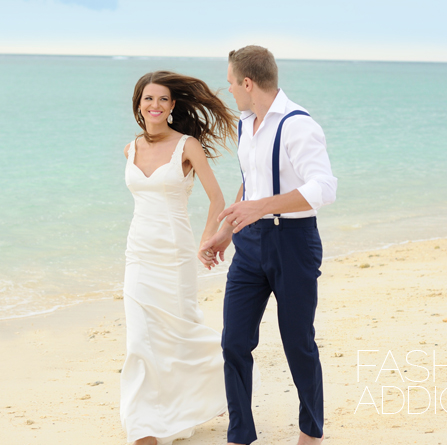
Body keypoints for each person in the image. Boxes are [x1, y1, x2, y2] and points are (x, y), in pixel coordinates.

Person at [199, 46, 337, 445]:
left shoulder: (298, 125)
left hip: (293, 242)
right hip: (249, 245)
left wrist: (262, 207)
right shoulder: (247, 123)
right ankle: (240, 435)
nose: (228, 90)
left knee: (298, 342)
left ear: (247, 82)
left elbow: (324, 188)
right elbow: (252, 180)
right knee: (234, 342)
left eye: (230, 82)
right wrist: (229, 228)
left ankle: (310, 433)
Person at [120, 70, 237, 445]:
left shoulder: (187, 145)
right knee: (140, 339)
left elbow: (217, 199)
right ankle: (144, 424)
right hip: (138, 252)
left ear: (172, 106)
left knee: (181, 330)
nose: (155, 105)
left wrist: (208, 239)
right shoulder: (130, 147)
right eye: (148, 99)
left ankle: (221, 382)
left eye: (163, 100)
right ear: (139, 104)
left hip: (175, 252)